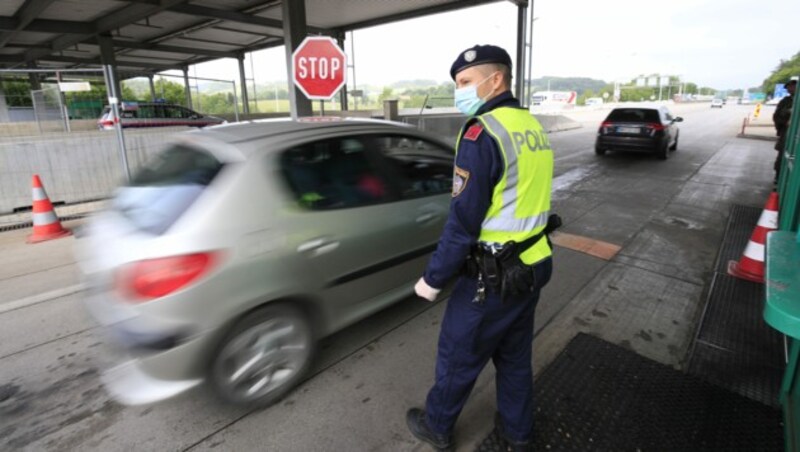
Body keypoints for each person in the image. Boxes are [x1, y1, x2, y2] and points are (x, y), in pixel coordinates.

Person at [406, 44, 556, 452]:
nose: (461, 91)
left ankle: (436, 426)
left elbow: (463, 222)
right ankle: (517, 434)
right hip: (533, 262)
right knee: (513, 357)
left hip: (492, 275)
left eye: (466, 82)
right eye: (458, 83)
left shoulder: (481, 132)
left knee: (458, 355)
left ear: (496, 80)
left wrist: (434, 279)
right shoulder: (530, 125)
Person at [773, 79, 796, 184]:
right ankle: (779, 178)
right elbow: (776, 116)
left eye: (792, 86)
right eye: (788, 87)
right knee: (782, 157)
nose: (790, 89)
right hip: (786, 132)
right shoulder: (785, 101)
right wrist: (787, 113)